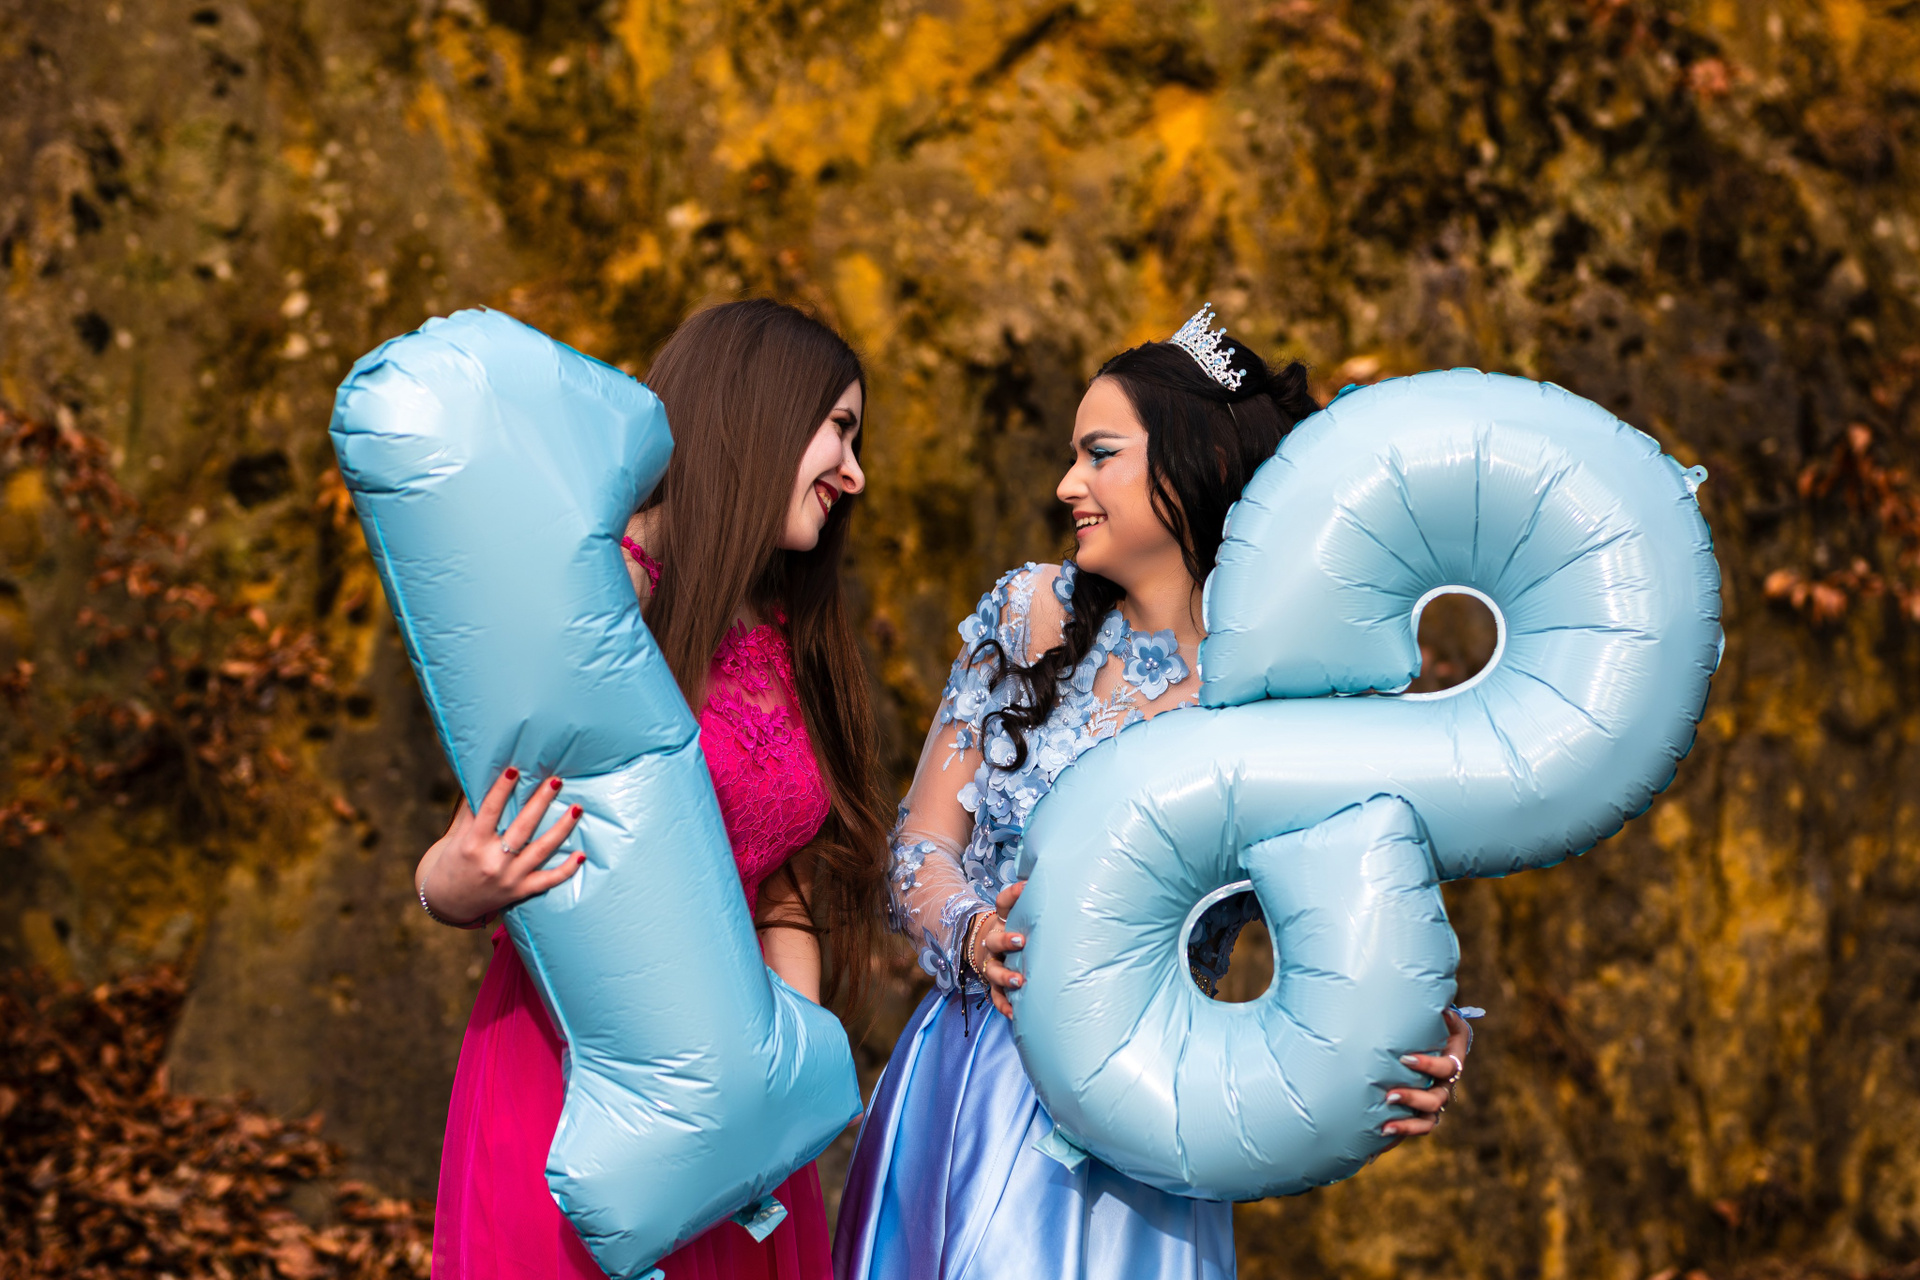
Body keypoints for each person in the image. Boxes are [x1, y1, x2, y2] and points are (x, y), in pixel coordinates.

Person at [834, 310, 1476, 1279]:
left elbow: (1361, 924)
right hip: (972, 1084)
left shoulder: (1291, 700)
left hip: (1158, 1116)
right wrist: (973, 931)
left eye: (1099, 454)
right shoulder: (1027, 612)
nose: (1068, 484)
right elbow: (920, 847)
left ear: (1195, 462)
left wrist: (1417, 1039)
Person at [412, 299, 893, 1280]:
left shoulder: (786, 631)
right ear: (757, 412)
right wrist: (454, 882)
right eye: (838, 430)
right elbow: (464, 857)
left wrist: (779, 1072)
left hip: (740, 1096)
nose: (854, 472)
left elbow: (785, 883)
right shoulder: (603, 594)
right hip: (576, 1078)